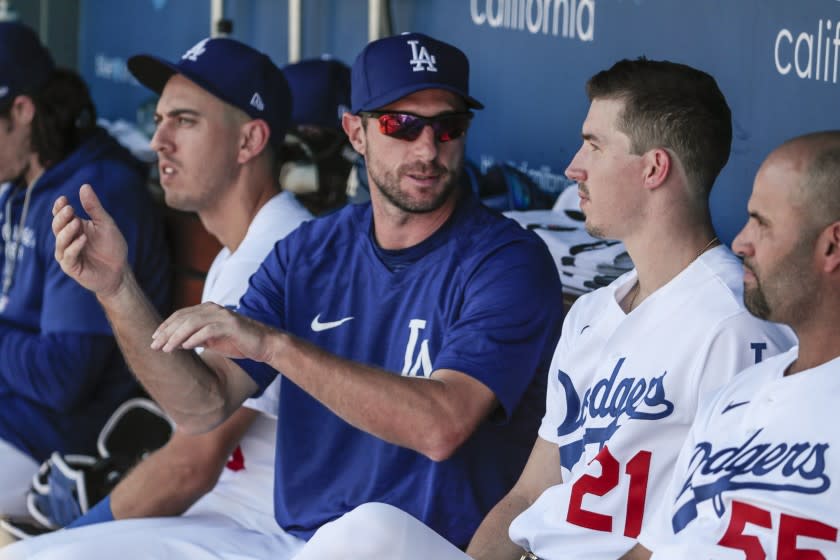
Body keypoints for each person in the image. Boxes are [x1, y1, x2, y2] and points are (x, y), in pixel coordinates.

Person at [13, 32, 563, 559]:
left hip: (422, 543)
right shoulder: (310, 251)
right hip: (288, 537)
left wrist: (274, 346)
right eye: (401, 124)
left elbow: (440, 427)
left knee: (366, 529)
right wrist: (116, 289)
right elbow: (202, 406)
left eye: (448, 127)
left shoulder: (505, 260)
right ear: (356, 132)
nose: (427, 148)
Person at [282, 57, 799, 560]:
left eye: (594, 145)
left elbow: (702, 530)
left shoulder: (731, 323)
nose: (573, 166)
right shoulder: (593, 312)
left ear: (654, 168)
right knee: (368, 531)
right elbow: (529, 494)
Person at [0, 43, 346, 555]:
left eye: (184, 121)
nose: (159, 140)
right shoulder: (242, 250)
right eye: (158, 119)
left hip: (268, 529)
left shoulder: (277, 250)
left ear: (249, 139)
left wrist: (68, 538)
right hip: (218, 514)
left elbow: (190, 464)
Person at [623, 131, 840, 560]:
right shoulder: (735, 395)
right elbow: (652, 551)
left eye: (763, 223)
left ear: (833, 245)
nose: (741, 242)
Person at [0, 22, 170, 516]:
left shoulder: (89, 197)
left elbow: (62, 378)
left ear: (22, 111)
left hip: (57, 442)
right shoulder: (20, 185)